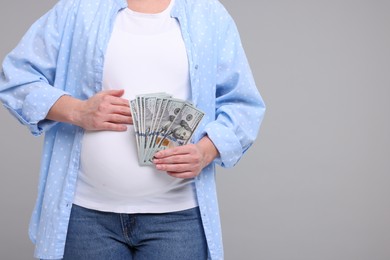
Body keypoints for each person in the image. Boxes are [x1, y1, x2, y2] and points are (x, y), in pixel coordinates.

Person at [0, 0, 265, 259]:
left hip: (179, 218)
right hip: (84, 215)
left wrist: (205, 152)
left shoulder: (209, 14)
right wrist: (78, 111)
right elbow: (16, 77)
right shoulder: (78, 8)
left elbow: (243, 105)